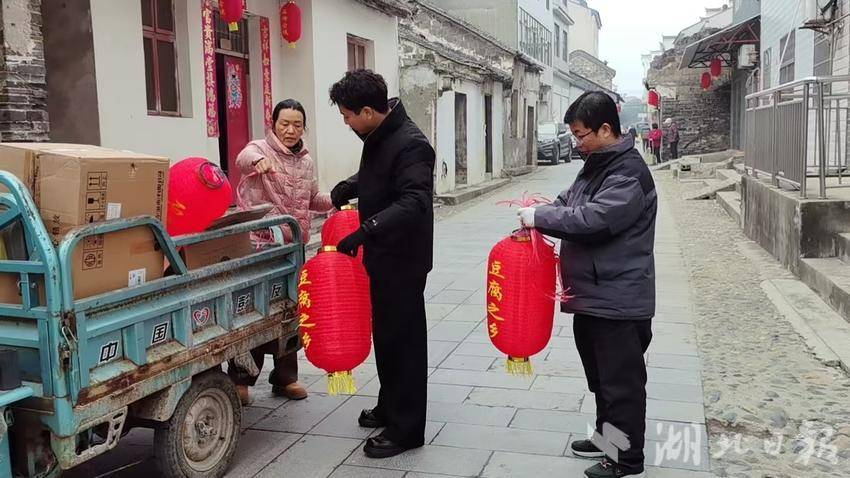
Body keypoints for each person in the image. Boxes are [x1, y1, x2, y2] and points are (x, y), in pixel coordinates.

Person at [516, 91, 657, 478]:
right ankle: (606, 439)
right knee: (600, 378)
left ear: (605, 130)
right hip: (594, 294)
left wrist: (540, 217)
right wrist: (543, 212)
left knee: (620, 384)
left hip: (618, 299)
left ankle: (625, 458)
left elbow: (594, 219)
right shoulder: (597, 165)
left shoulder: (628, 173)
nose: (576, 143)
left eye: (581, 135)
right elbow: (568, 202)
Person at [328, 69, 435, 459]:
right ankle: (390, 407)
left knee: (405, 343)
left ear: (368, 111)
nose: (346, 122)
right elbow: (380, 175)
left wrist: (365, 230)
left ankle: (407, 429)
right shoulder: (381, 134)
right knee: (387, 338)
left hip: (403, 259)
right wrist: (351, 185)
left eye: (347, 115)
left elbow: (414, 201)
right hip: (383, 257)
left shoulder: (412, 144)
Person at [227, 99, 333, 405]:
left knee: (291, 309)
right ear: (273, 124)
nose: (290, 130)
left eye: (297, 125)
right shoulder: (260, 149)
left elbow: (313, 199)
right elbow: (244, 158)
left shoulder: (306, 161)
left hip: (292, 249)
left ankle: (285, 377)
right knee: (255, 310)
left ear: (304, 128)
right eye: (284, 123)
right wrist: (258, 162)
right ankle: (242, 378)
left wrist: (339, 195)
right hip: (261, 247)